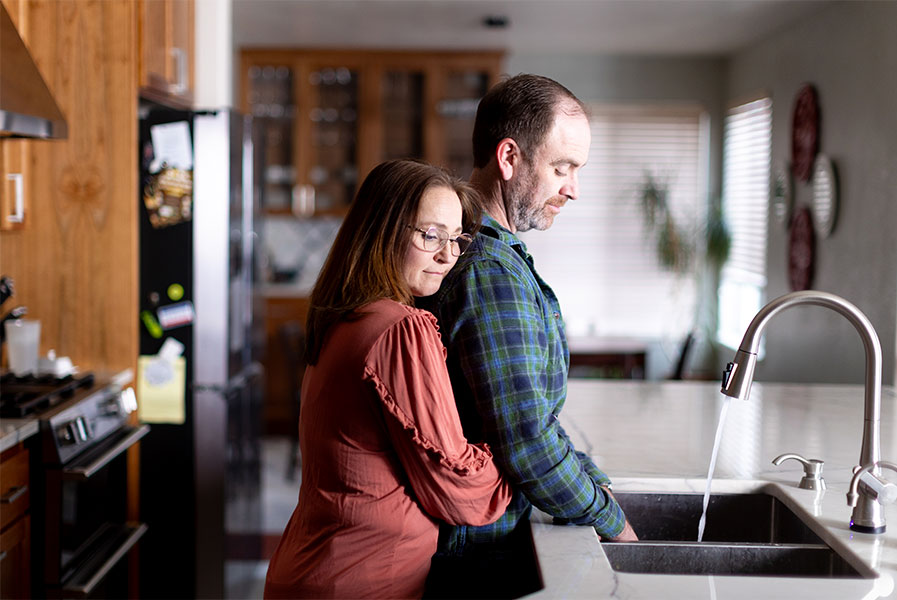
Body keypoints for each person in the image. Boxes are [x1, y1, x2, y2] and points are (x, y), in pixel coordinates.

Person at [421, 74, 637, 597]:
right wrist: (615, 525)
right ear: (510, 157)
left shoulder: (486, 252)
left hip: (478, 538)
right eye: (562, 167)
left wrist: (585, 475)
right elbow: (526, 442)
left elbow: (524, 416)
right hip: (479, 553)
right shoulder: (489, 269)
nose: (573, 188)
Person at [264, 159, 512, 600]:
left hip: (312, 566)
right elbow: (457, 491)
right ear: (383, 232)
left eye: (456, 239)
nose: (447, 256)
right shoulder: (400, 329)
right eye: (430, 235)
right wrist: (520, 463)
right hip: (364, 580)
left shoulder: (345, 316)